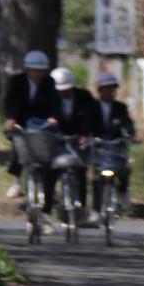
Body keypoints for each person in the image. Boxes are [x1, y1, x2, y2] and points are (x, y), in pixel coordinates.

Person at [2, 49, 60, 203]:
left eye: (41, 71)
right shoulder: (17, 81)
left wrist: (54, 117)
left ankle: (49, 187)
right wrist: (11, 118)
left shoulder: (49, 82)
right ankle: (16, 181)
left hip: (41, 122)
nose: (38, 74)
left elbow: (54, 101)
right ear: (28, 69)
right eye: (35, 71)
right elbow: (9, 101)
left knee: (47, 152)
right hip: (20, 121)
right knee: (18, 148)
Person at [51, 66, 98, 212]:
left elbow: (92, 117)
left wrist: (85, 134)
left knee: (80, 170)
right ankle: (52, 199)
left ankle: (81, 207)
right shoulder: (49, 98)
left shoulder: (85, 97)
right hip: (56, 139)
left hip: (78, 139)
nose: (64, 92)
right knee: (52, 170)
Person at [90, 67, 136, 213]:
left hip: (115, 145)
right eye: (106, 88)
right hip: (98, 146)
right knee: (96, 177)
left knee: (123, 169)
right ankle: (96, 209)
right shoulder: (92, 107)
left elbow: (128, 123)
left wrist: (130, 134)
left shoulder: (120, 108)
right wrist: (84, 136)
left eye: (112, 89)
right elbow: (86, 124)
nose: (109, 92)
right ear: (100, 90)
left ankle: (123, 192)